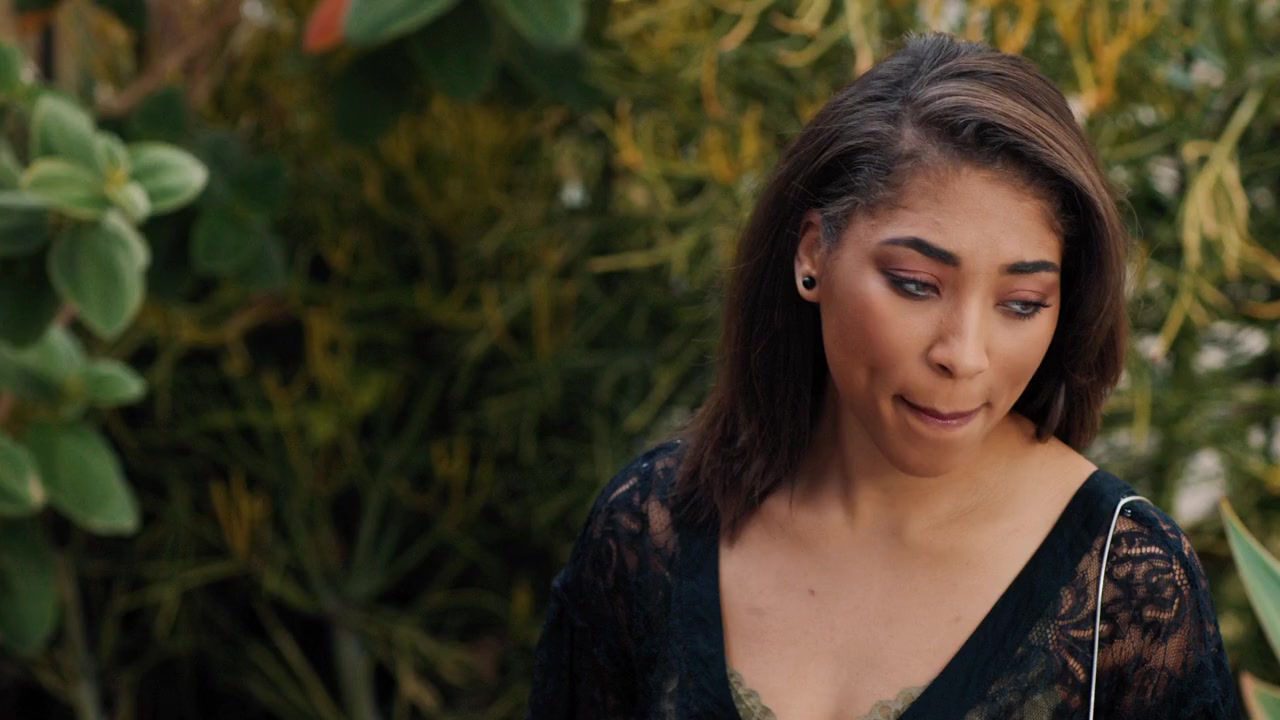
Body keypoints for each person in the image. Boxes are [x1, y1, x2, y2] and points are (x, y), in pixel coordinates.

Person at [526, 32, 1239, 719]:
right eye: (916, 285)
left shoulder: (1128, 589)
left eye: (1022, 303)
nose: (964, 354)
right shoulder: (650, 527)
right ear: (813, 253)